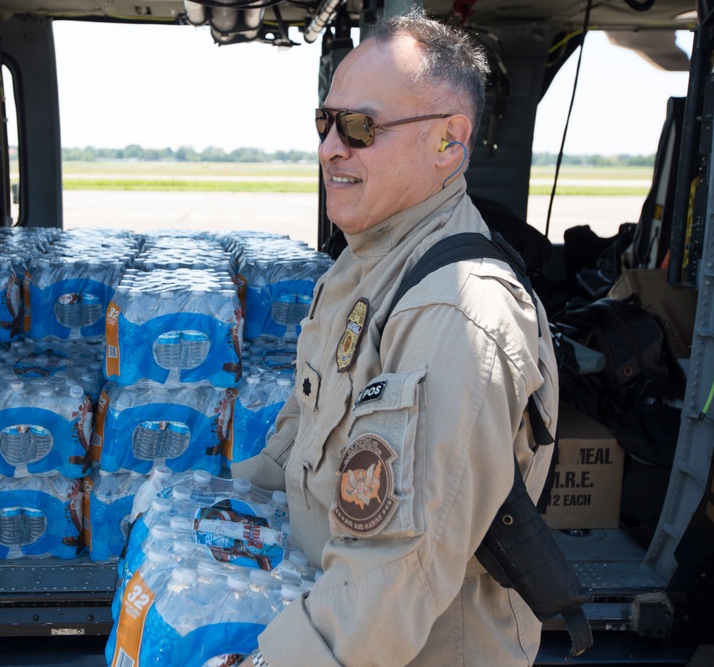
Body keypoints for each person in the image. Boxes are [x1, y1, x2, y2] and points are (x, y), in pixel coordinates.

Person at [233, 8, 559, 667]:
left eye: (360, 127)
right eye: (325, 123)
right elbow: (304, 440)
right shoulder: (363, 269)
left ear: (448, 143)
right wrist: (221, 503)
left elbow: (395, 570)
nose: (331, 147)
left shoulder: (454, 312)